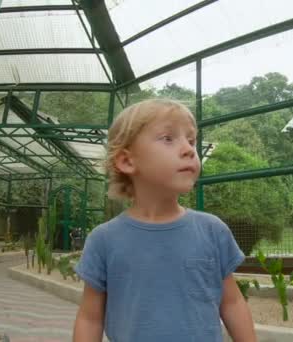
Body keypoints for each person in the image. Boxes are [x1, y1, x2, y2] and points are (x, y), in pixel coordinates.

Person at [72, 99, 256, 342]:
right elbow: (90, 318)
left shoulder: (212, 230)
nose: (189, 149)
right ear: (127, 161)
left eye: (191, 141)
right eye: (168, 138)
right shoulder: (103, 240)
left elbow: (232, 303)